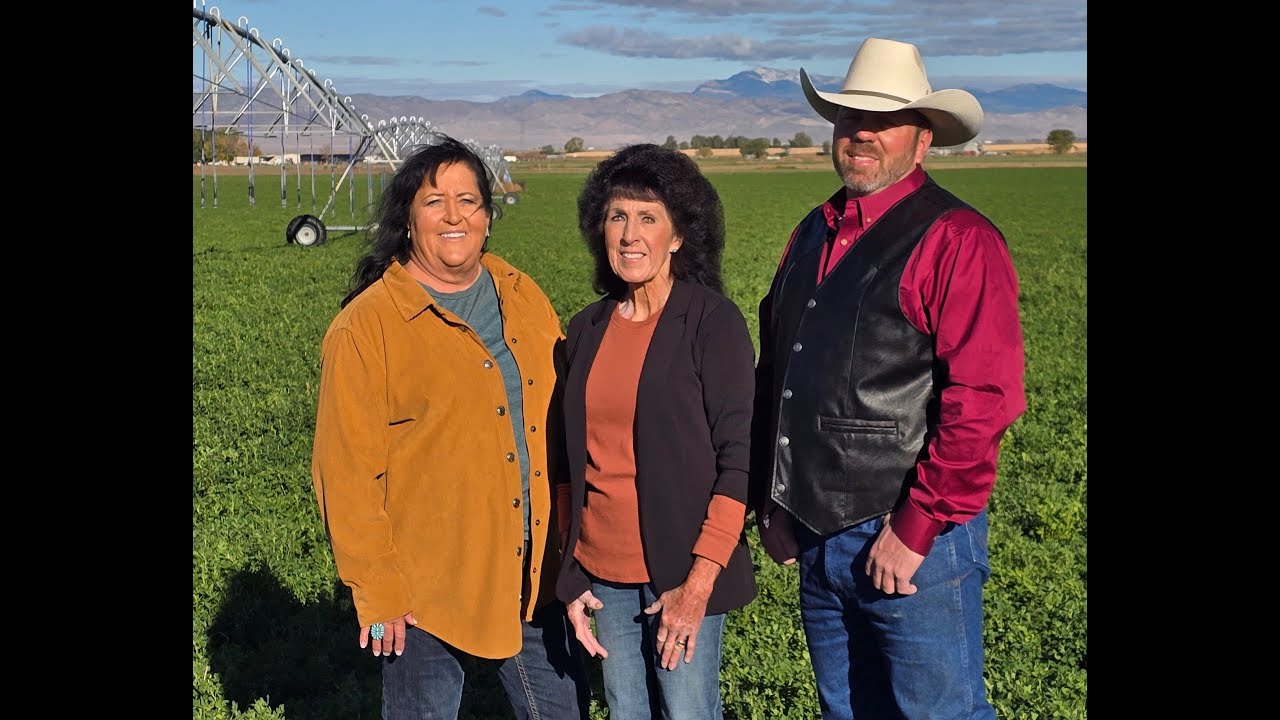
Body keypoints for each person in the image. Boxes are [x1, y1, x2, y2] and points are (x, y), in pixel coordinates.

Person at [749, 38, 1027, 720]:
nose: (862, 133)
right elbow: (781, 372)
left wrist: (916, 526)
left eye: (885, 120)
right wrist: (772, 499)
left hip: (910, 538)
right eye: (850, 117)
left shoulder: (957, 239)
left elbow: (982, 400)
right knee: (846, 710)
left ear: (923, 139)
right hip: (816, 536)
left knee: (941, 713)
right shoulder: (811, 232)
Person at [310, 135, 589, 720]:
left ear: (488, 218)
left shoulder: (522, 295)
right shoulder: (367, 327)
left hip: (534, 568)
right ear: (408, 221)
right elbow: (346, 472)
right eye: (435, 202)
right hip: (424, 591)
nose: (454, 216)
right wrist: (378, 590)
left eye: (468, 201)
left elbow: (568, 421)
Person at [556, 143, 757, 720]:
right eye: (617, 216)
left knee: (687, 710)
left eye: (648, 217)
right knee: (626, 710)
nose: (629, 234)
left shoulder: (711, 322)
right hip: (603, 572)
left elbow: (738, 460)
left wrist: (699, 582)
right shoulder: (586, 329)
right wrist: (570, 570)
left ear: (678, 236)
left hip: (682, 570)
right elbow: (568, 460)